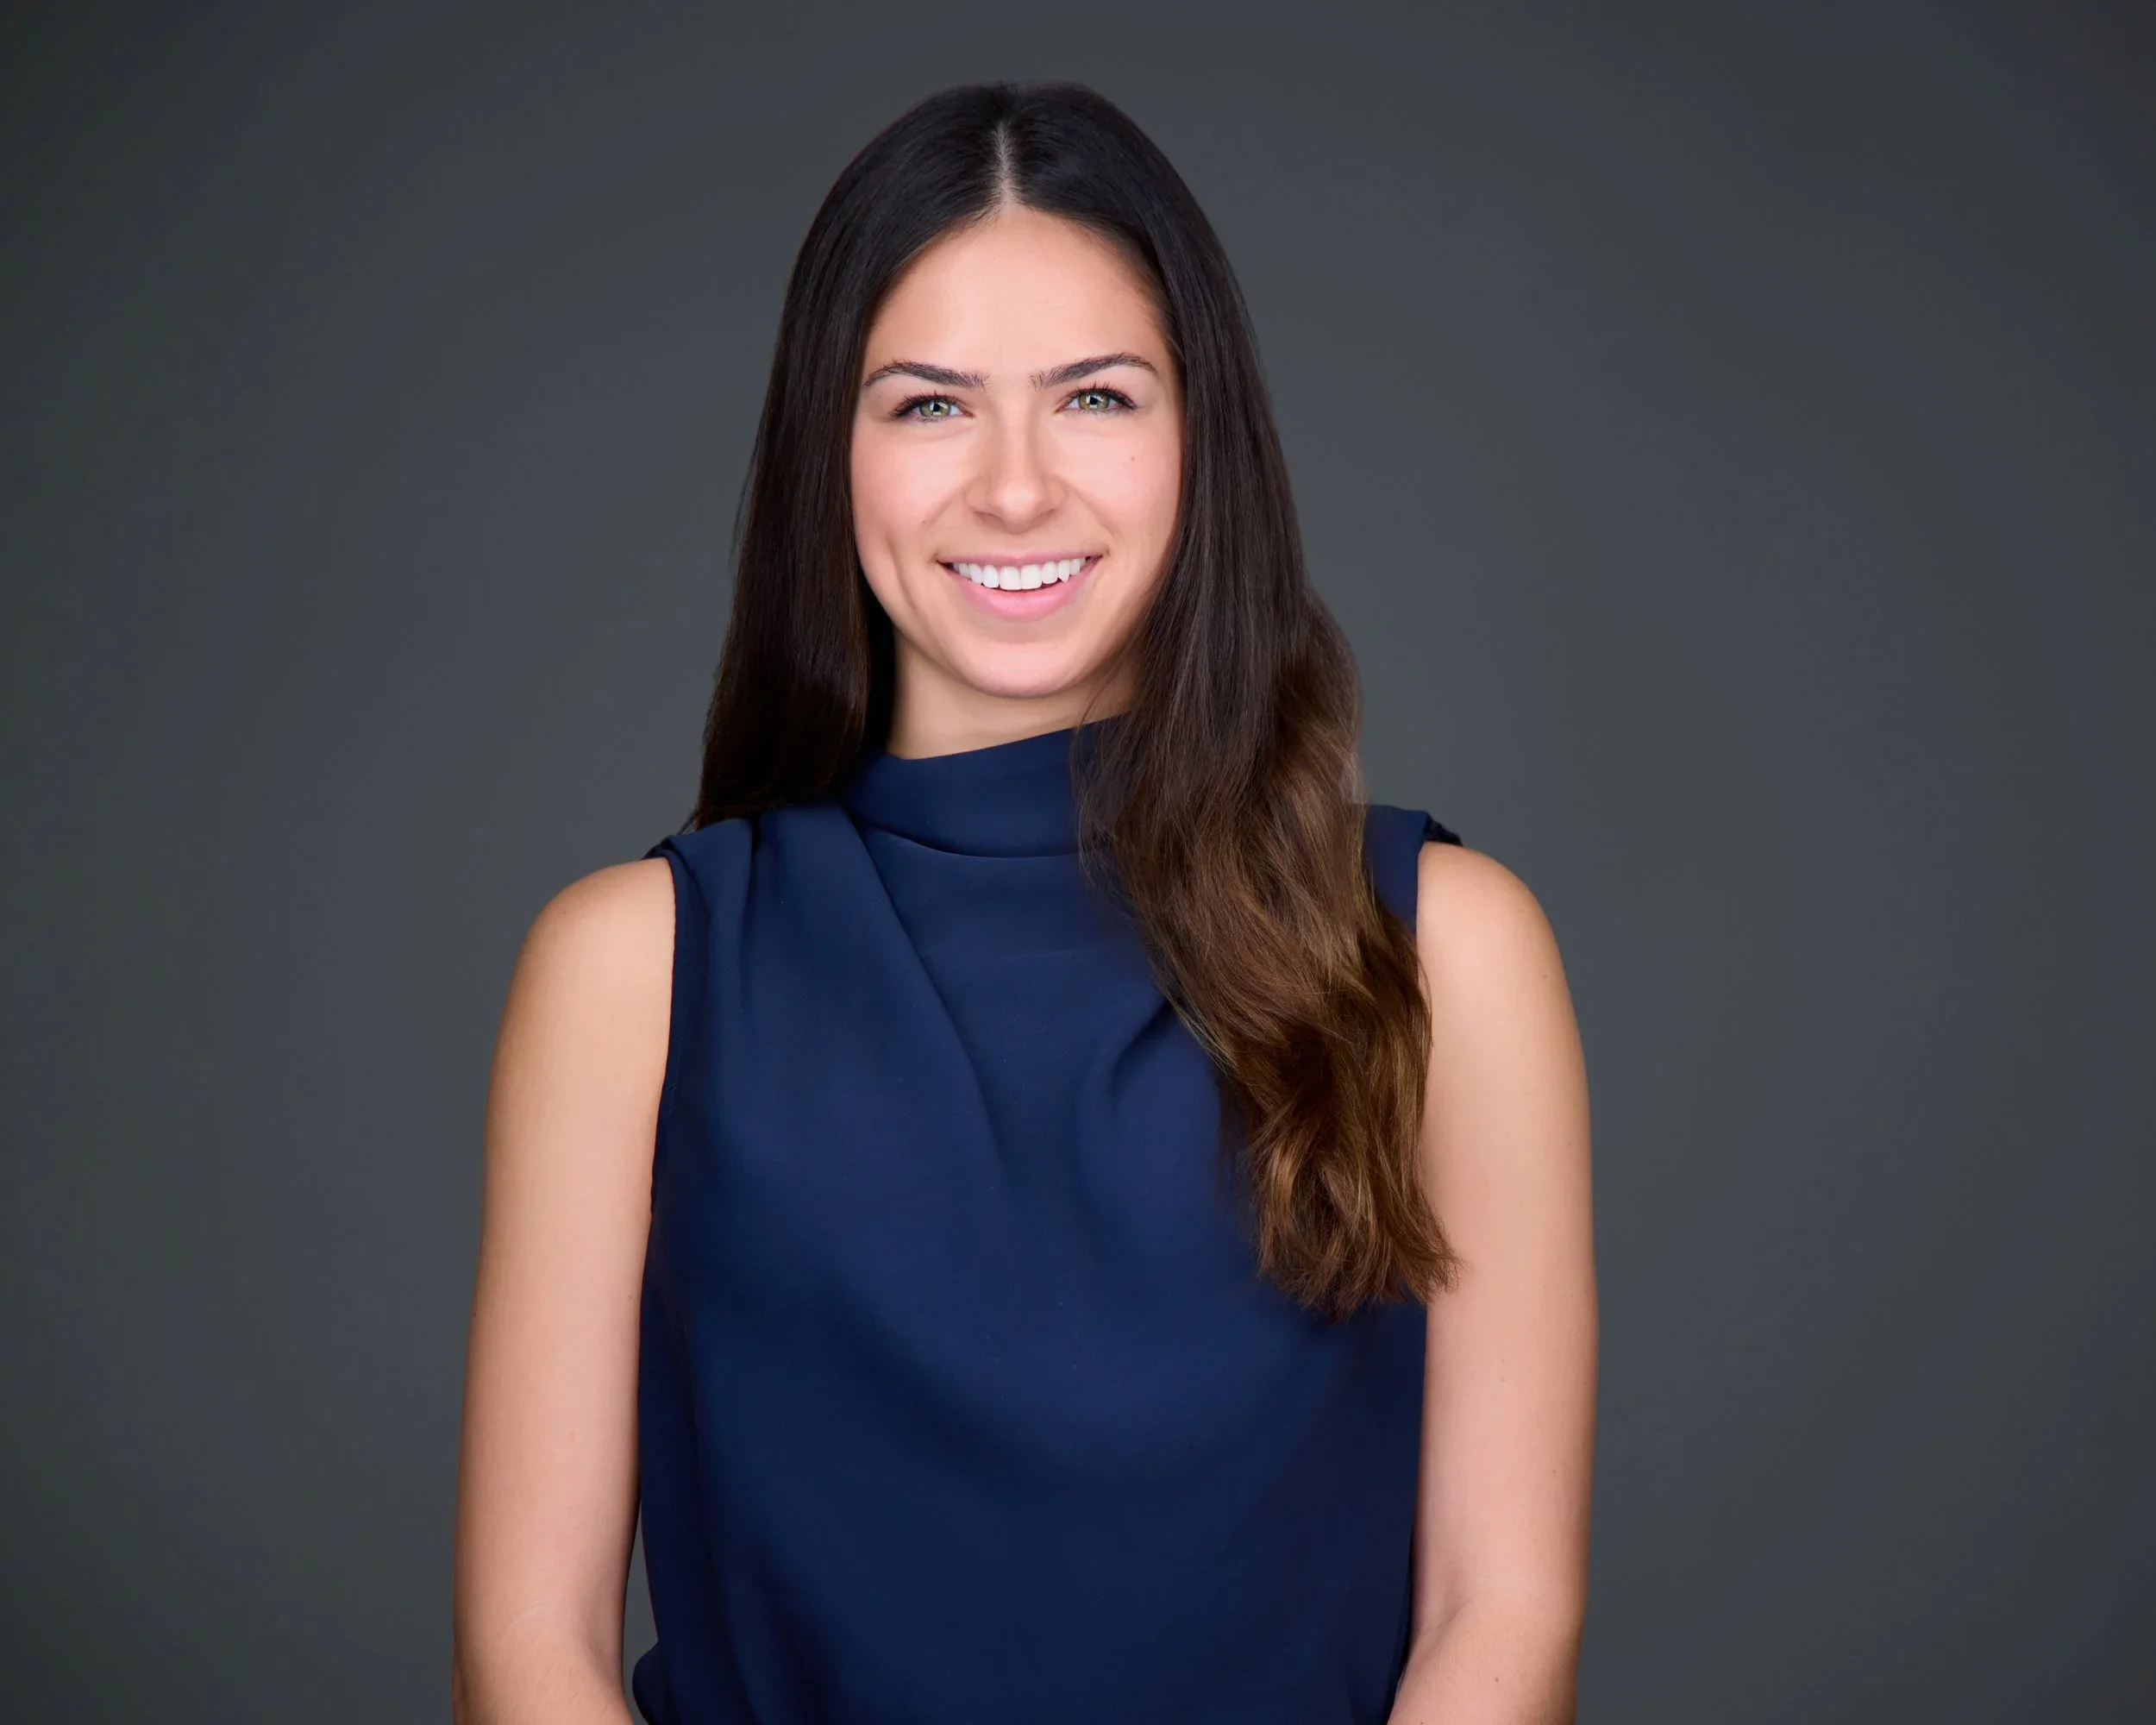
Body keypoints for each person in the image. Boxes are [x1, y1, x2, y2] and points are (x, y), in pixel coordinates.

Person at [452, 80, 1596, 1725]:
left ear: (1204, 438)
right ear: (825, 455)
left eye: (1097, 398)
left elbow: (1505, 1615)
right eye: (928, 406)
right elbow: (527, 1655)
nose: (1013, 489)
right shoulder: (633, 970)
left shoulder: (1439, 947)